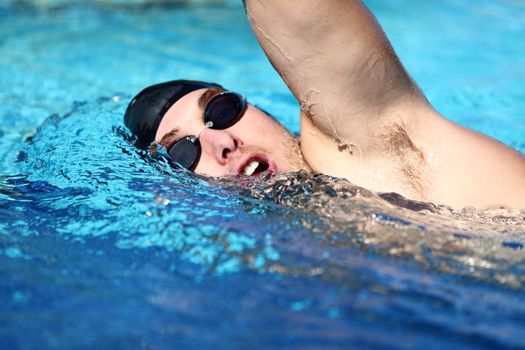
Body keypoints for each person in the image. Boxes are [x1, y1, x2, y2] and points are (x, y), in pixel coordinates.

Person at [124, 0, 525, 210]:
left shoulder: (369, 151)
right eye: (182, 152)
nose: (222, 140)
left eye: (221, 111)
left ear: (261, 110)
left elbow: (301, 14)